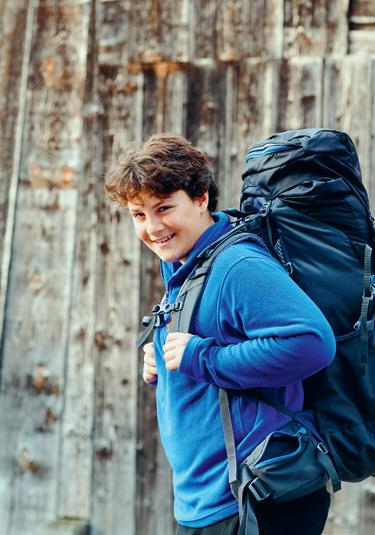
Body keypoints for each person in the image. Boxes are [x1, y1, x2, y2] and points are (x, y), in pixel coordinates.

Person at [104, 134, 336, 535]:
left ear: (201, 198)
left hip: (254, 495)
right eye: (139, 214)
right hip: (209, 499)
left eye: (164, 208)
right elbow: (214, 339)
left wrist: (203, 358)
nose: (152, 227)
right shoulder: (186, 264)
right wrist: (164, 359)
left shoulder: (236, 265)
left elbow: (312, 343)